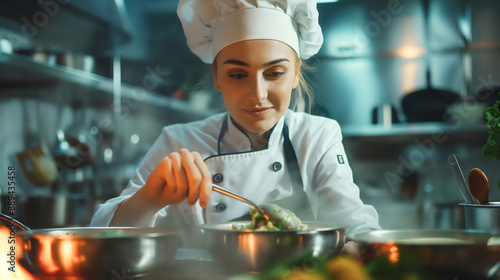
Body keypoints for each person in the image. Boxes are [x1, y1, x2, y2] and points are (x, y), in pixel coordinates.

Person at [90, 0, 380, 243]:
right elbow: (101, 238)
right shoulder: (179, 142)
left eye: (275, 73)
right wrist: (148, 199)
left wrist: (361, 248)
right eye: (238, 75)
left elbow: (354, 224)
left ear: (295, 74)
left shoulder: (317, 136)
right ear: (217, 78)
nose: (257, 94)